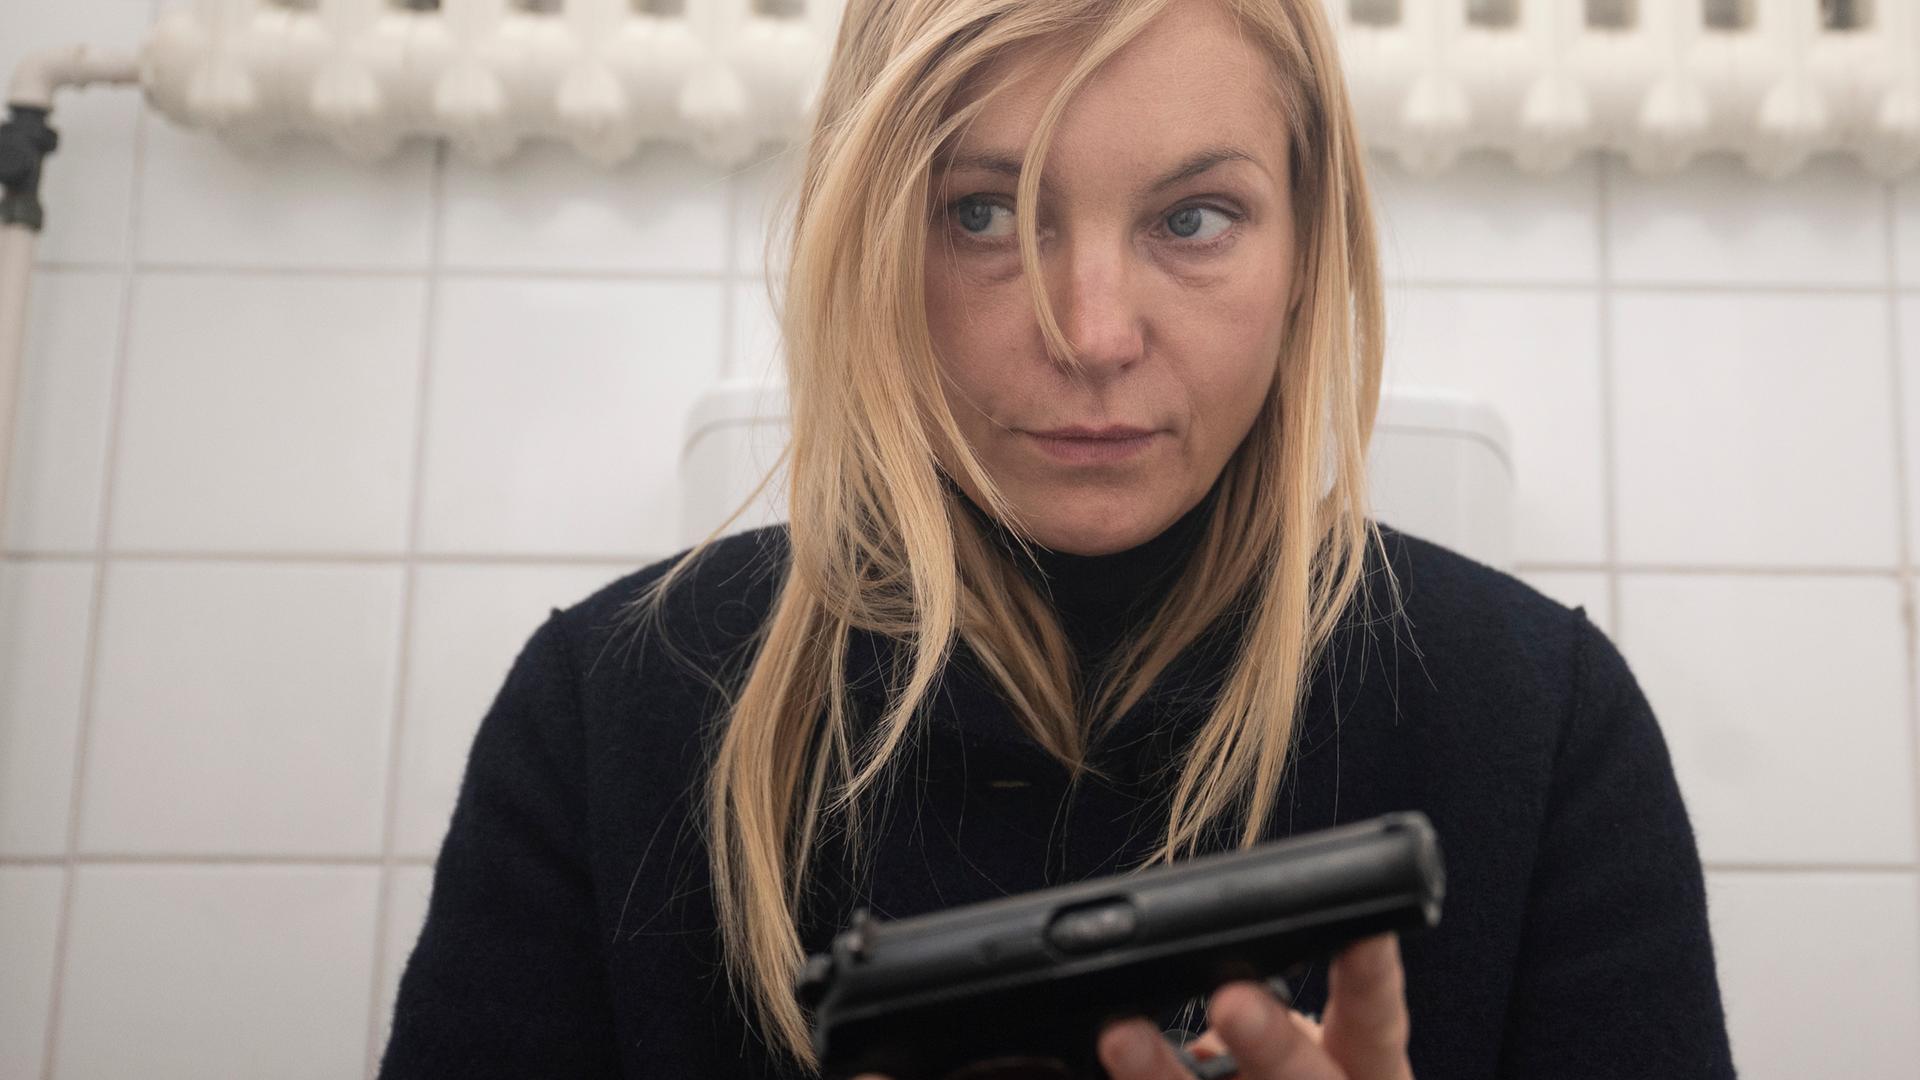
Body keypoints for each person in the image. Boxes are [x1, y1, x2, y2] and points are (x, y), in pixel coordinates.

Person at [377, 0, 1736, 1077]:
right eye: (984, 216)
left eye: (1193, 219)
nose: (1093, 334)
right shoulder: (612, 717)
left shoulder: (1537, 726)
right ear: (872, 240)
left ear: (1306, 245)